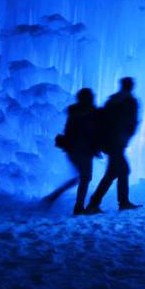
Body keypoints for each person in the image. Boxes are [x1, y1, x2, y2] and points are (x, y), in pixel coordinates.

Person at [85, 77, 141, 213]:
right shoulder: (128, 101)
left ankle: (98, 202)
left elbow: (105, 122)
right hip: (115, 143)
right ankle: (119, 202)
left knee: (114, 172)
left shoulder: (114, 100)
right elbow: (128, 123)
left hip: (112, 143)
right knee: (122, 170)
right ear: (130, 86)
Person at [47, 87, 101, 215]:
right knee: (85, 177)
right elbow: (90, 132)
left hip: (73, 150)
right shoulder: (89, 112)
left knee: (81, 177)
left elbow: (71, 131)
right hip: (83, 150)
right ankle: (78, 207)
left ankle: (54, 197)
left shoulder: (75, 111)